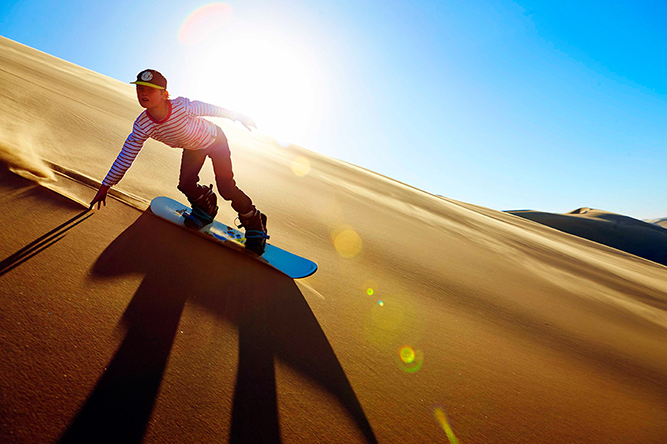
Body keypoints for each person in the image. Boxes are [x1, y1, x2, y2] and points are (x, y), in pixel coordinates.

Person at [89, 69, 269, 255]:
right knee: (185, 184)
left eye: (150, 90)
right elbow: (126, 156)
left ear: (165, 94)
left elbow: (210, 109)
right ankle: (206, 206)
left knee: (226, 187)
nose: (143, 93)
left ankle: (255, 222)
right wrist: (106, 185)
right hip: (193, 148)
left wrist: (238, 116)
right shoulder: (142, 125)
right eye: (140, 89)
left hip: (215, 140)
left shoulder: (182, 106)